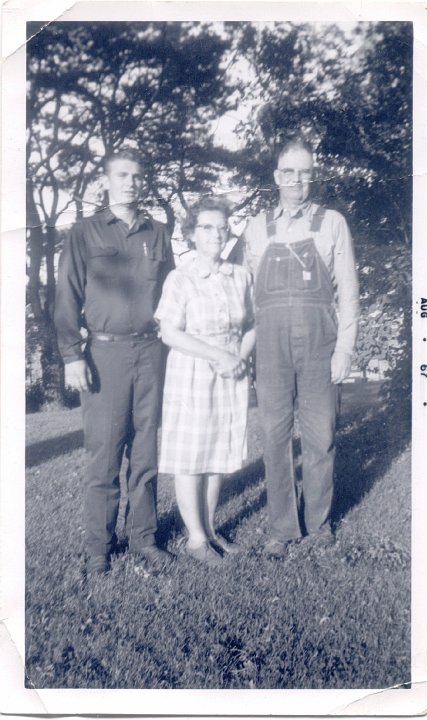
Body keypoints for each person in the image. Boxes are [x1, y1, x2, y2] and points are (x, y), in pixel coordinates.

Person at [54, 148, 175, 577]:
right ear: (106, 181)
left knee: (145, 451)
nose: (131, 182)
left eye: (138, 176)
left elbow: (173, 300)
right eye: (122, 175)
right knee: (104, 453)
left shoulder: (159, 234)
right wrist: (71, 355)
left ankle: (144, 537)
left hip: (152, 352)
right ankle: (99, 547)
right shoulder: (83, 233)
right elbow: (66, 294)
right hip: (104, 354)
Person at [242, 136, 360, 557]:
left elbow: (348, 293)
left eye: (304, 172)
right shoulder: (255, 227)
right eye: (288, 172)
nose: (296, 180)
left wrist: (345, 349)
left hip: (319, 346)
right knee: (274, 439)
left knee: (320, 438)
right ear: (276, 176)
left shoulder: (333, 223)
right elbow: (244, 296)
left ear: (313, 176)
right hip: (270, 349)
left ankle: (320, 526)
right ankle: (282, 529)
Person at [155, 196, 256, 566]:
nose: (217, 233)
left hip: (230, 373)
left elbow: (252, 326)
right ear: (192, 234)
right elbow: (169, 333)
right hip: (192, 373)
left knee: (217, 456)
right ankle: (195, 540)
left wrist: (238, 359)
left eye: (222, 226)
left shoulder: (240, 276)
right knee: (190, 458)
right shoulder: (180, 278)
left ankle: (211, 530)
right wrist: (218, 356)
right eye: (207, 227)